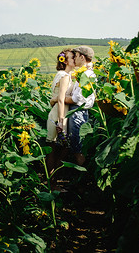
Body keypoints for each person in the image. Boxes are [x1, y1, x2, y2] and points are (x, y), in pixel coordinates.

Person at [51, 45, 96, 166]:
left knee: (77, 150)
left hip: (77, 113)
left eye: (75, 56)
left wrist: (57, 98)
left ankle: (81, 178)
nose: (75, 59)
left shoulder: (85, 75)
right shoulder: (86, 73)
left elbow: (76, 99)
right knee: (75, 147)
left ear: (82, 57)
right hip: (80, 112)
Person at [46, 48, 75, 187]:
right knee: (58, 149)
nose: (74, 59)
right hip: (60, 113)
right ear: (65, 61)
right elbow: (61, 99)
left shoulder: (64, 74)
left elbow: (56, 98)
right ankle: (52, 182)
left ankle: (51, 181)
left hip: (58, 112)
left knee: (56, 148)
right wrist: (61, 121)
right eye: (71, 57)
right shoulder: (65, 76)